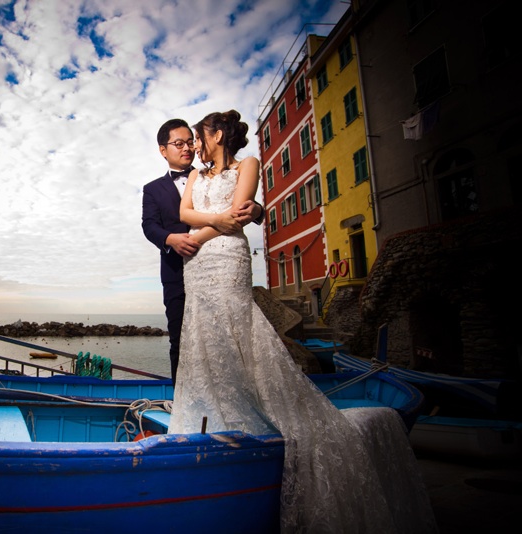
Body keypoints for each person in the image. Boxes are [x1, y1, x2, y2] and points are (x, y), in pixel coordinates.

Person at [168, 110, 437, 533]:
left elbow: (239, 213)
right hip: (196, 268)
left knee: (240, 333)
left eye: (199, 136)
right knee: (202, 341)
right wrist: (213, 222)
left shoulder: (249, 164)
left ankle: (257, 422)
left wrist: (213, 226)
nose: (195, 145)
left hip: (225, 260)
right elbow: (184, 212)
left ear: (217, 134)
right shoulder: (198, 178)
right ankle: (213, 422)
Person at [141, 118, 262, 384]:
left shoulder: (210, 174)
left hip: (219, 262)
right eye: (179, 143)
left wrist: (257, 209)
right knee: (180, 339)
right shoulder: (152, 189)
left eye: (190, 142)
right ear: (163, 150)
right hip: (175, 271)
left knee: (222, 336)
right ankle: (182, 399)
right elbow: (149, 226)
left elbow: (239, 202)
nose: (188, 148)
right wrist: (170, 238)